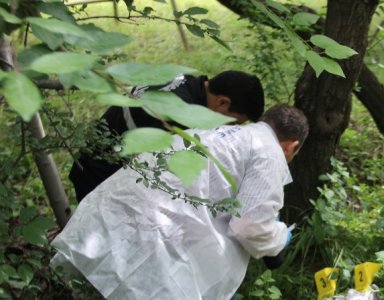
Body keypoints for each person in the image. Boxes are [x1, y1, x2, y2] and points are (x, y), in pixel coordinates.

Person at [52, 104, 309, 300]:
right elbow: (250, 225)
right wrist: (279, 239)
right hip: (164, 228)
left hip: (131, 218)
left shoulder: (219, 131)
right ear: (291, 146)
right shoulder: (268, 153)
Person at [69, 70, 265, 202]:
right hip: (100, 180)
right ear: (222, 102)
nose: (227, 129)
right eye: (233, 122)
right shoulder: (181, 114)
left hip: (91, 163)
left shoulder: (184, 81)